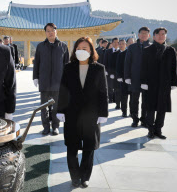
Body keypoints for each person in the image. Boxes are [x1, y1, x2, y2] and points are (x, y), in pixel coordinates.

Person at [56, 36, 108, 188]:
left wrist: (103, 113)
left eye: (84, 48)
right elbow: (63, 91)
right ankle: (75, 176)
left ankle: (85, 176)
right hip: (72, 113)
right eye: (78, 48)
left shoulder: (99, 68)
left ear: (91, 50)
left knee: (89, 147)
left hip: (91, 114)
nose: (81, 51)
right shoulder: (68, 67)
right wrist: (60, 110)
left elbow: (103, 92)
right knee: (72, 147)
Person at [140, 27, 177, 139]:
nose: (161, 36)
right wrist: (143, 82)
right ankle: (150, 130)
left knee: (162, 108)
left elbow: (174, 68)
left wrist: (174, 82)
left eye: (163, 34)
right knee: (150, 108)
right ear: (154, 36)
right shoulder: (147, 50)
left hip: (164, 84)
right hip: (150, 84)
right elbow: (143, 68)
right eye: (159, 34)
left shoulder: (170, 50)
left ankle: (158, 130)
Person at [33, 23, 70, 135]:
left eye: (52, 30)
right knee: (44, 107)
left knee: (56, 106)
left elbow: (67, 64)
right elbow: (37, 63)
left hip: (58, 82)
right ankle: (45, 127)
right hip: (44, 81)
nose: (50, 33)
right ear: (45, 33)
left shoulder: (63, 46)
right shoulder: (40, 46)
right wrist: (35, 77)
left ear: (56, 31)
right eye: (48, 31)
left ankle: (55, 126)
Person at [124, 27, 151, 127]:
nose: (144, 35)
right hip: (134, 78)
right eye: (142, 33)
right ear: (138, 34)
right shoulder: (132, 47)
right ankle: (135, 119)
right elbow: (127, 63)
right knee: (134, 100)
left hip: (147, 79)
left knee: (146, 101)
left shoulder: (151, 47)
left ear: (149, 35)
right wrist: (127, 76)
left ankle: (144, 119)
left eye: (146, 33)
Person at [103, 38, 119, 103]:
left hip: (117, 72)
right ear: (112, 43)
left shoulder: (120, 51)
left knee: (116, 86)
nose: (116, 43)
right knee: (110, 86)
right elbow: (105, 61)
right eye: (114, 42)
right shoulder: (108, 51)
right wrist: (105, 70)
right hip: (109, 72)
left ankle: (116, 99)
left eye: (117, 42)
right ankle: (110, 99)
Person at [116, 39, 129, 117]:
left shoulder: (130, 53)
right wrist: (119, 76)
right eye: (120, 44)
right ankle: (124, 111)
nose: (121, 45)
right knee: (124, 95)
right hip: (123, 78)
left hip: (131, 78)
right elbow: (117, 67)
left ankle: (132, 112)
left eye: (123, 44)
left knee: (133, 97)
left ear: (126, 44)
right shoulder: (119, 54)